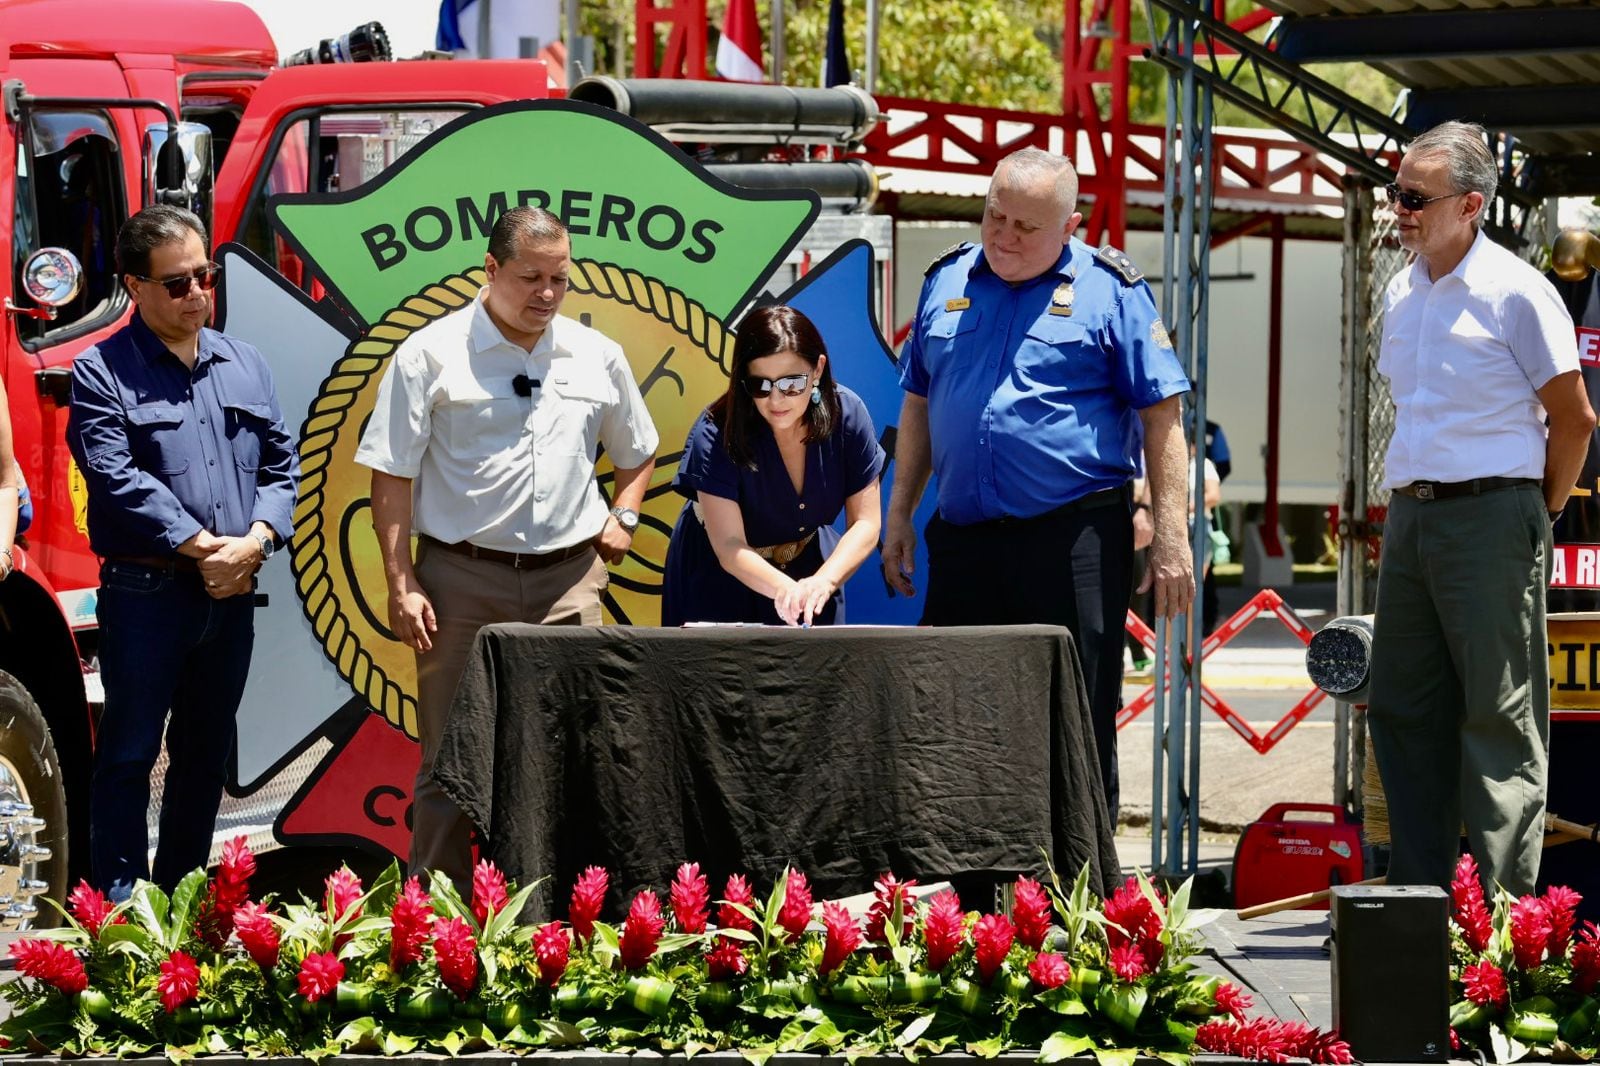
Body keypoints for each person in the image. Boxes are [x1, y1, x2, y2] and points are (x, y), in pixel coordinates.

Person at [882, 147, 1194, 823]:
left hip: (1072, 535)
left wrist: (1172, 535)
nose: (1004, 235)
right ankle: (975, 903)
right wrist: (899, 512)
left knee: (1075, 713)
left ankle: (1077, 894)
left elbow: (1163, 417)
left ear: (1070, 227)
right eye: (996, 215)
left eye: (1027, 226)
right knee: (958, 712)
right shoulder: (946, 280)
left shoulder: (1112, 290)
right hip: (964, 539)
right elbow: (917, 405)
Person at [356, 206, 658, 889]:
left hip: (570, 583)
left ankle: (570, 921)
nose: (546, 294)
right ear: (490, 270)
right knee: (449, 762)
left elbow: (636, 453)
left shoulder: (596, 355)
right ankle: (434, 932)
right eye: (530, 278)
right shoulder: (428, 355)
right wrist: (402, 583)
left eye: (559, 279)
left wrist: (626, 515)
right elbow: (391, 477)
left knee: (576, 754)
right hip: (459, 586)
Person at [1366, 121, 1593, 897]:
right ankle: (1419, 904)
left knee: (1498, 719)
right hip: (1413, 517)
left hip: (1495, 516)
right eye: (1394, 192)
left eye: (1413, 197)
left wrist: (1539, 514)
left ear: (1469, 205)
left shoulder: (1518, 291)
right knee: (1401, 709)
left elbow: (1576, 419)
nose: (1397, 208)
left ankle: (1503, 928)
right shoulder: (1401, 291)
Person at [65, 205, 298, 896]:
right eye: (177, 283)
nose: (197, 293)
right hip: (147, 594)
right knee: (130, 755)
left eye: (206, 276)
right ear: (134, 287)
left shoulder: (244, 363)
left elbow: (282, 468)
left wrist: (254, 542)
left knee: (203, 756)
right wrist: (205, 549)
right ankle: (123, 914)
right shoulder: (100, 370)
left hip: (231, 594)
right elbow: (115, 478)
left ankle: (191, 907)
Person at [661, 305, 885, 627]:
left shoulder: (848, 415)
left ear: (818, 370)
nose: (776, 400)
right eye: (761, 385)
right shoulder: (715, 430)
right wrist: (788, 591)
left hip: (813, 570)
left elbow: (865, 522)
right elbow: (729, 546)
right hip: (719, 575)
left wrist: (822, 582)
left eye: (791, 383)